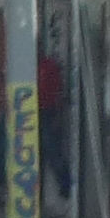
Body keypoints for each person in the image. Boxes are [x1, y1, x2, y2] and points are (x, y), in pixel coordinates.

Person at [38, 50, 72, 206]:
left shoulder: (49, 66)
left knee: (53, 152)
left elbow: (58, 92)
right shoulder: (28, 67)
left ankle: (65, 185)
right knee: (36, 155)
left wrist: (58, 115)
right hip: (33, 112)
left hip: (48, 112)